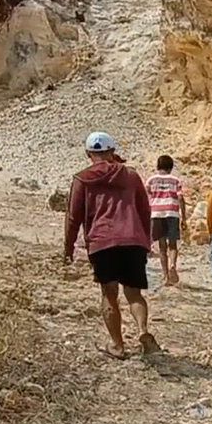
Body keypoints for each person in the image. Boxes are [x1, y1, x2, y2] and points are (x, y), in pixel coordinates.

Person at [64, 131, 160, 359]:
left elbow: (72, 217)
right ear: (113, 152)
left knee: (109, 294)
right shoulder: (132, 175)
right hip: (133, 240)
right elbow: (145, 211)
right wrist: (146, 241)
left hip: (102, 242)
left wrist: (68, 249)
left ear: (89, 154)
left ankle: (117, 345)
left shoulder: (82, 179)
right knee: (134, 293)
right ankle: (143, 331)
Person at [145, 155, 186, 286]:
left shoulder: (151, 180)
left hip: (156, 214)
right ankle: (173, 265)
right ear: (171, 166)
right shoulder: (175, 180)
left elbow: (146, 197)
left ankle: (165, 276)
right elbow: (180, 198)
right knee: (173, 244)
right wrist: (183, 217)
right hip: (172, 213)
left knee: (162, 247)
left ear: (158, 166)